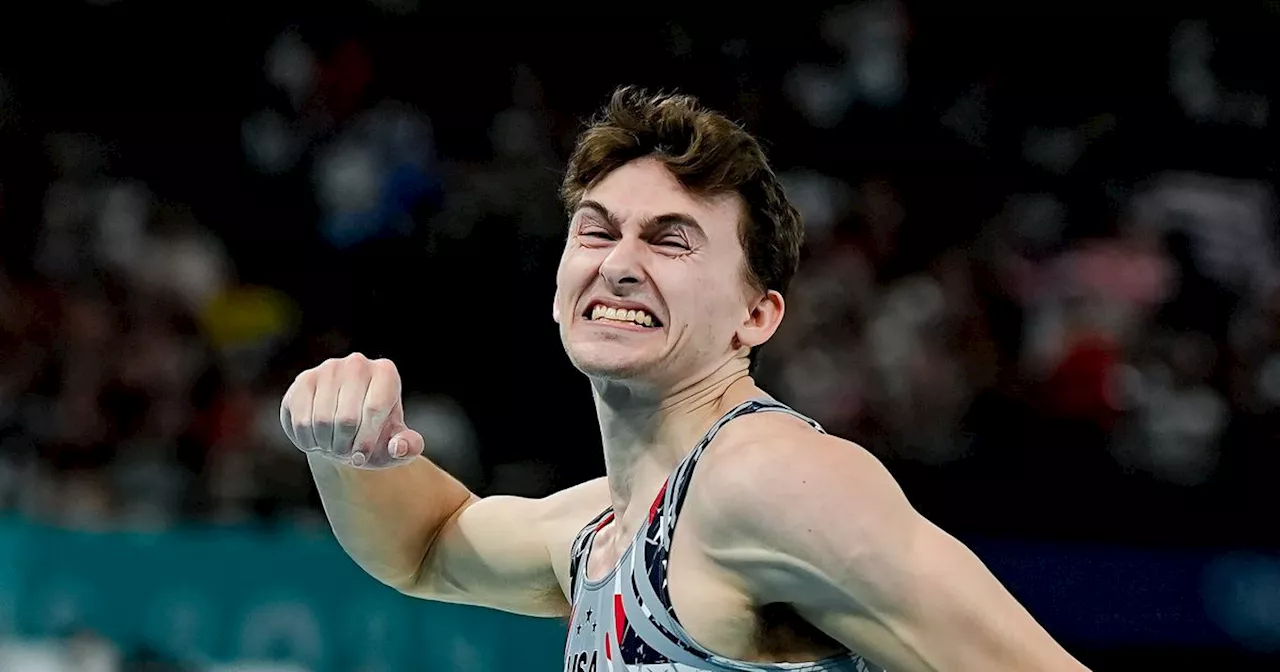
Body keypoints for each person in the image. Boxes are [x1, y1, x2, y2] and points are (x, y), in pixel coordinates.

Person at [280, 86, 1091, 671]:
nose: (621, 264)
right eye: (596, 232)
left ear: (757, 316)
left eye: (672, 241)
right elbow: (422, 551)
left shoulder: (774, 481)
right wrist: (346, 448)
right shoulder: (599, 526)